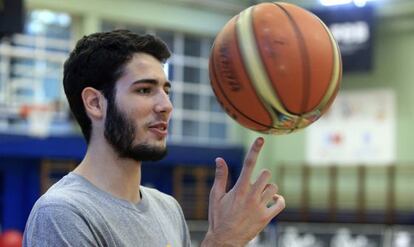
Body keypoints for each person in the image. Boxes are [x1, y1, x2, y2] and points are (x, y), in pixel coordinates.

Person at [23, 29, 285, 247]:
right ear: (95, 103)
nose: (166, 105)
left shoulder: (167, 208)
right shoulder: (63, 213)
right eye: (145, 90)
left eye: (165, 90)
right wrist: (222, 242)